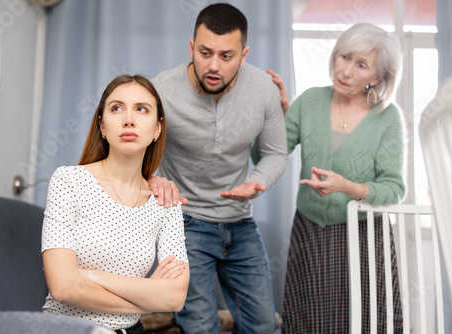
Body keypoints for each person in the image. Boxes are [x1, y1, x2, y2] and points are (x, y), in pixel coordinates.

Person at [148, 3, 288, 333]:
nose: (213, 66)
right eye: (205, 52)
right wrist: (151, 178)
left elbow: (276, 154)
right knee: (198, 326)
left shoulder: (264, 90)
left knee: (263, 326)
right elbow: (132, 147)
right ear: (191, 47)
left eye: (226, 56)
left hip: (239, 221)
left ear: (244, 54)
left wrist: (258, 181)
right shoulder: (162, 91)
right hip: (185, 221)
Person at [269, 23, 406, 333]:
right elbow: (267, 154)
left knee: (366, 322)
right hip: (310, 233)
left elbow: (394, 189)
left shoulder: (387, 117)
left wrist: (346, 187)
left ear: (377, 77)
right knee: (308, 322)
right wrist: (275, 114)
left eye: (360, 65)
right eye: (344, 57)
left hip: (364, 238)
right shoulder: (309, 101)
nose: (345, 71)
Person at [41, 74, 190, 334]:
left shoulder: (166, 202)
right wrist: (146, 299)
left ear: (157, 129)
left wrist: (92, 276)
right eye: (117, 108)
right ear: (102, 126)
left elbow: (174, 297)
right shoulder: (68, 181)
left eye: (142, 109)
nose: (129, 119)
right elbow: (63, 287)